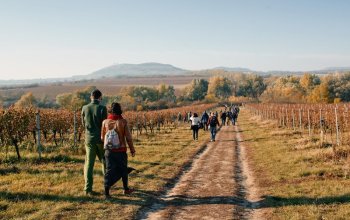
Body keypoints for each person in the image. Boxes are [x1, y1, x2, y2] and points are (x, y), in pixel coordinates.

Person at [102, 102, 136, 199]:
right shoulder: (123, 122)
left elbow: (102, 137)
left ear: (110, 110)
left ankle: (107, 193)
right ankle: (126, 189)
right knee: (123, 169)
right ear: (119, 110)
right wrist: (132, 149)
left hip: (109, 151)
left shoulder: (105, 122)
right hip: (121, 150)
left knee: (108, 170)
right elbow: (128, 138)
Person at [81, 89, 107, 195]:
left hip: (89, 139)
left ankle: (88, 189)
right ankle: (107, 186)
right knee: (105, 162)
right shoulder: (102, 108)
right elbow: (105, 125)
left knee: (89, 164)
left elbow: (83, 124)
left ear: (91, 97)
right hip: (100, 140)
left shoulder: (84, 108)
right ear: (100, 97)